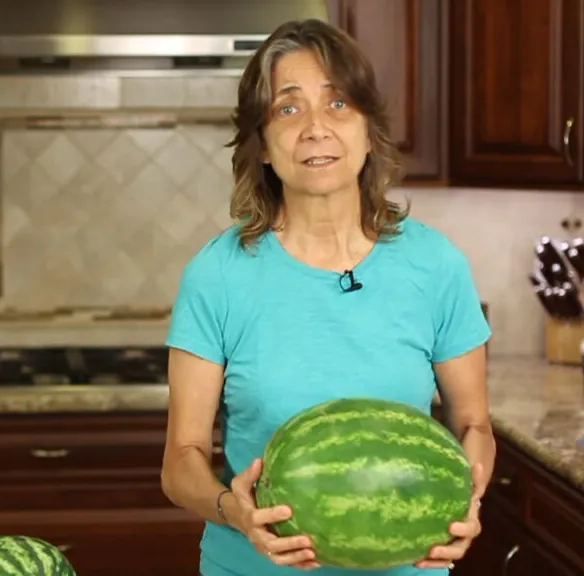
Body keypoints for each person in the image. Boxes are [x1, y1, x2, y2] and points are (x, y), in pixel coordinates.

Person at [159, 17, 495, 576]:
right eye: (287, 109)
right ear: (262, 146)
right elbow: (180, 463)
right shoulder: (217, 275)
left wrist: (468, 500)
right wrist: (234, 511)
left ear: (369, 130)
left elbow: (475, 428)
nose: (316, 128)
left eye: (337, 104)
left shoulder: (436, 266)